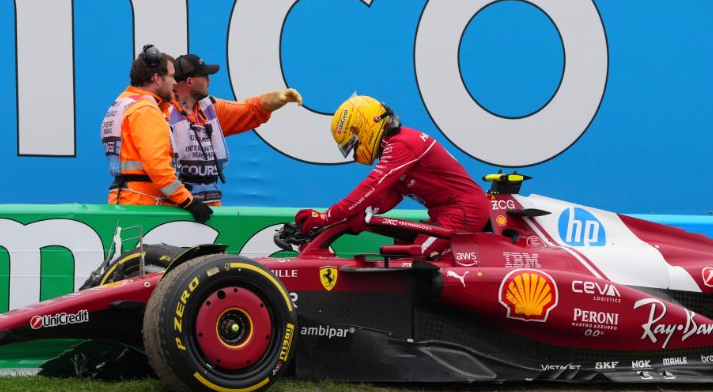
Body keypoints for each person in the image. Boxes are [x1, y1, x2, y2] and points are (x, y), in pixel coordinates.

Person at [294, 95, 491, 258]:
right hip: (449, 212)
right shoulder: (396, 145)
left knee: (414, 259)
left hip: (465, 211)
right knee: (399, 251)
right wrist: (363, 214)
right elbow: (391, 194)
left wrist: (327, 216)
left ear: (365, 128)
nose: (354, 153)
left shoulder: (402, 144)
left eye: (353, 144)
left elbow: (372, 186)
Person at [168, 53, 302, 205]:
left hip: (210, 205)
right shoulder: (163, 113)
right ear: (190, 81)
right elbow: (158, 169)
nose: (209, 80)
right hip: (177, 207)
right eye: (204, 76)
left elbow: (250, 110)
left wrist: (277, 98)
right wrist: (186, 202)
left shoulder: (211, 109)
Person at [101, 44, 212, 223]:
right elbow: (158, 168)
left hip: (127, 200)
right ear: (157, 78)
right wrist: (188, 201)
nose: (175, 83)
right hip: (145, 206)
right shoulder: (146, 111)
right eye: (171, 76)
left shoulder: (123, 103)